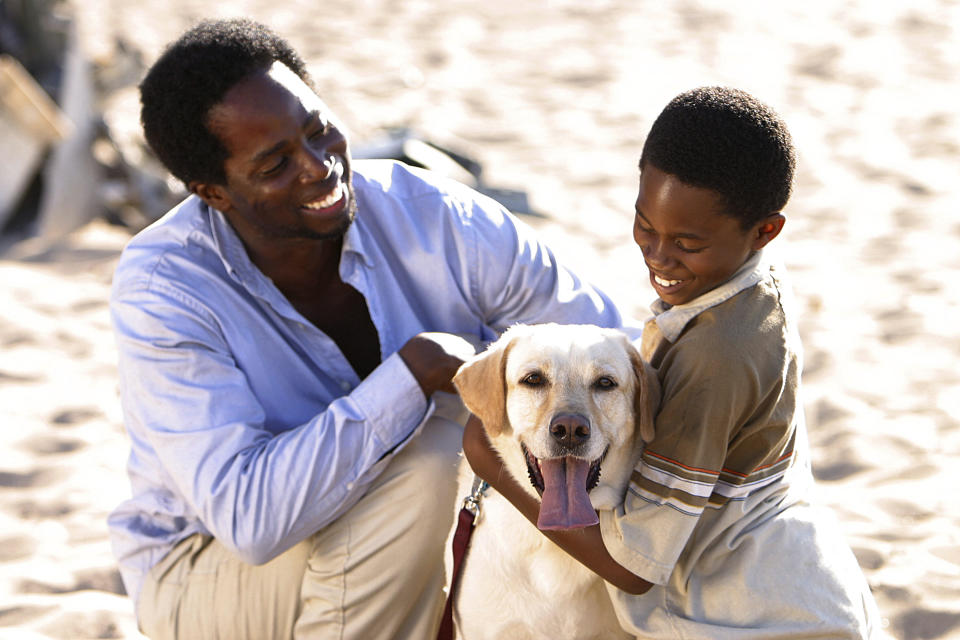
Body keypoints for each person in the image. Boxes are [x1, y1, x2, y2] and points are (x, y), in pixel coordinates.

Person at [108, 18, 630, 640]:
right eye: (275, 163)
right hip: (207, 570)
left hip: (381, 542)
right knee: (437, 456)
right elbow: (249, 520)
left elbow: (605, 340)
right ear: (211, 192)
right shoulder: (165, 288)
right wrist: (410, 376)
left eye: (318, 128)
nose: (318, 166)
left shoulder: (433, 215)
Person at [463, 86, 883, 637]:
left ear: (765, 230)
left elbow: (635, 570)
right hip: (802, 587)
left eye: (687, 241)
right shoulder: (749, 293)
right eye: (645, 226)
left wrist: (487, 460)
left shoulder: (717, 356)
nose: (659, 257)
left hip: (755, 617)